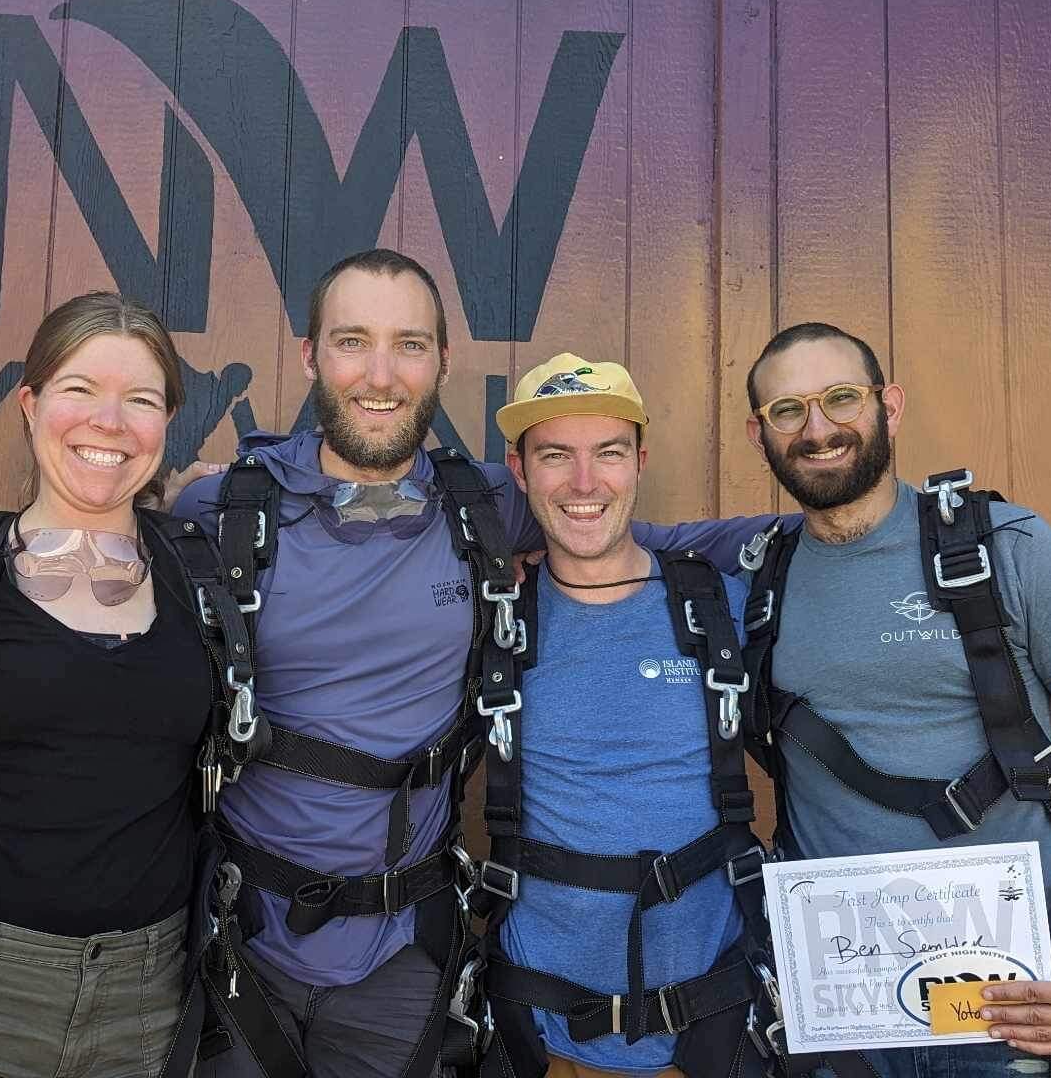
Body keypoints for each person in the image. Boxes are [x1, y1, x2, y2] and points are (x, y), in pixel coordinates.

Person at [172, 249, 775, 1078]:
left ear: (443, 363)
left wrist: (840, 528)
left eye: (410, 345)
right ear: (310, 355)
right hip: (244, 939)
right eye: (353, 341)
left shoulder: (485, 508)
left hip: (400, 954)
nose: (381, 375)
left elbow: (615, 534)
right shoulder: (222, 509)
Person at [0, 292, 243, 1078]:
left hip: (151, 994)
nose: (108, 422)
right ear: (30, 403)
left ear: (166, 423)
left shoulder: (205, 579)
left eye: (140, 399)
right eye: (79, 388)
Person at [739, 322, 1051, 1075]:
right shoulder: (760, 582)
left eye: (840, 398)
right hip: (844, 1009)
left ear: (890, 406)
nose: (817, 430)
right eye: (788, 411)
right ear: (760, 434)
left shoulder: (1005, 550)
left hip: (1004, 1008)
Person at [482, 354, 765, 1078]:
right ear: (519, 471)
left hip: (711, 1033)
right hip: (537, 1037)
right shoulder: (490, 619)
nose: (583, 483)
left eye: (607, 453)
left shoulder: (721, 608)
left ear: (639, 462)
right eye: (555, 456)